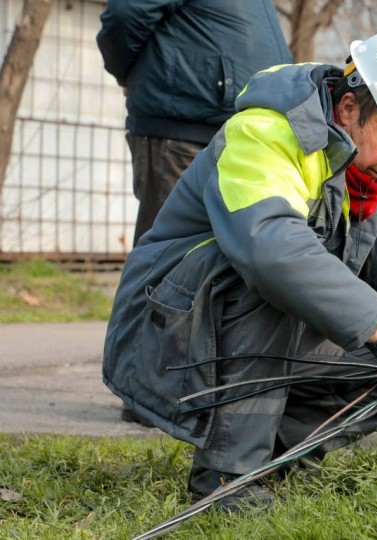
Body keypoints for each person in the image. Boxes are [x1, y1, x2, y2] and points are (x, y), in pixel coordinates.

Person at [103, 28, 377, 510]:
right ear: (348, 109)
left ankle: (275, 458)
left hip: (262, 333)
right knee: (276, 281)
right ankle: (227, 478)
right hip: (173, 331)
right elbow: (270, 249)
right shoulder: (265, 132)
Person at [96, 0, 292, 425]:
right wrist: (132, 75)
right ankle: (145, 394)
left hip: (229, 126)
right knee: (167, 262)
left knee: (222, 266)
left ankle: (194, 390)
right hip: (181, 123)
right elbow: (126, 16)